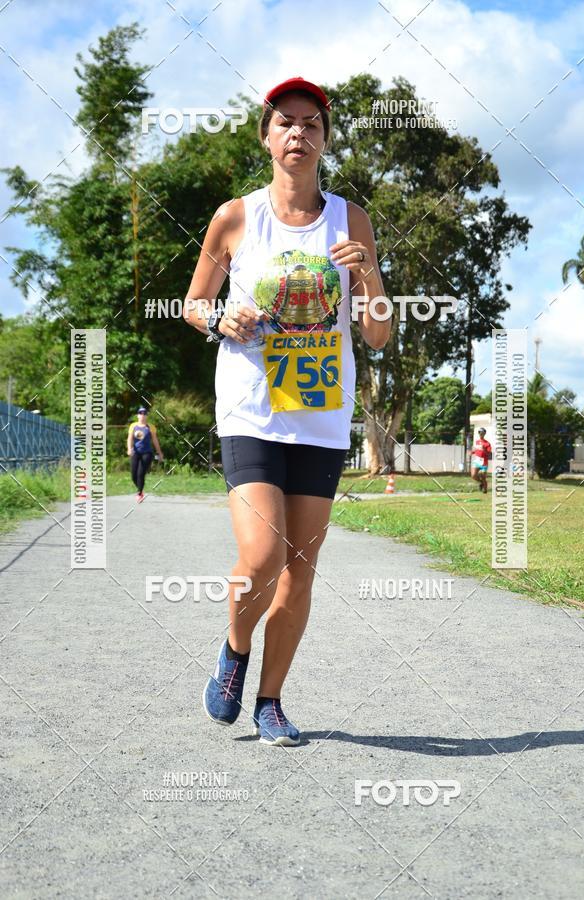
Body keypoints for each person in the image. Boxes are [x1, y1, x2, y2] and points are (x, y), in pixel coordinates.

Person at [183, 76, 390, 746]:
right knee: (263, 554)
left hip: (321, 416)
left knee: (301, 568)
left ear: (325, 140)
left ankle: (270, 700)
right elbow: (192, 305)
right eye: (285, 123)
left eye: (311, 124)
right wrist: (221, 318)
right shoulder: (237, 217)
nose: (298, 134)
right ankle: (236, 645)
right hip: (251, 408)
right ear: (266, 137)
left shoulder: (349, 219)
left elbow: (379, 331)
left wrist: (367, 276)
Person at [127, 407, 163, 502]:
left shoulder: (150, 427)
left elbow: (155, 440)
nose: (142, 415)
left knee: (140, 473)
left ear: (146, 416)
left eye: (144, 413)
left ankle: (139, 493)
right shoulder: (133, 426)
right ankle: (140, 488)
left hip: (147, 453)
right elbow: (130, 438)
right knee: (133, 475)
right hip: (136, 452)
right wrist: (129, 449)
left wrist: (159, 452)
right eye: (140, 413)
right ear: (137, 415)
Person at [471, 426, 492, 493]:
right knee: (473, 475)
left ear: (484, 434)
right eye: (480, 432)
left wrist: (484, 449)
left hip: (484, 462)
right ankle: (481, 483)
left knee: (483, 476)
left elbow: (489, 454)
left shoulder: (487, 443)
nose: (481, 434)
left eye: (482, 433)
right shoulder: (476, 442)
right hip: (477, 461)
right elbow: (476, 450)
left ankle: (485, 490)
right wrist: (472, 452)